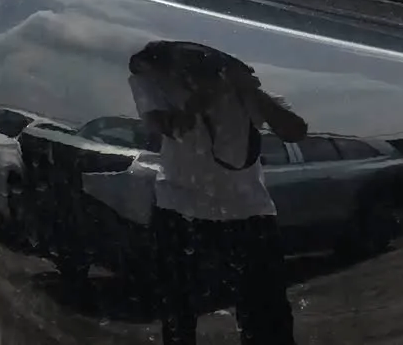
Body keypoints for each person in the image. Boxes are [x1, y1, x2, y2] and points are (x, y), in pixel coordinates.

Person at [128, 41, 307, 345]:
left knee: (267, 315)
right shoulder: (155, 81)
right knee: (178, 314)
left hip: (248, 211)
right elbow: (170, 127)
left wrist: (249, 89)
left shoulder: (240, 91)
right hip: (180, 209)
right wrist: (206, 94)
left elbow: (296, 131)